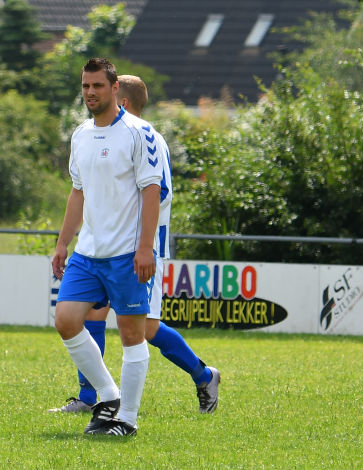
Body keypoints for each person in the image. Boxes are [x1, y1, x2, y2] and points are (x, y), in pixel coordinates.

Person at [50, 75, 220, 417]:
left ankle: (204, 376)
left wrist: (143, 247)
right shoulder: (97, 136)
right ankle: (93, 395)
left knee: (146, 328)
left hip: (141, 250)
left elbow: (158, 194)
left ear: (121, 102)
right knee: (89, 314)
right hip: (103, 250)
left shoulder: (147, 137)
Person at [52, 58, 165, 436]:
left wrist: (145, 248)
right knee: (66, 320)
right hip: (88, 254)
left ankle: (127, 421)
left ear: (115, 88)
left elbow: (152, 192)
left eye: (97, 86)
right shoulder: (81, 135)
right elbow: (77, 192)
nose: (90, 93)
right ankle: (107, 395)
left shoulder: (139, 133)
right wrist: (62, 243)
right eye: (85, 86)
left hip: (126, 255)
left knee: (132, 335)